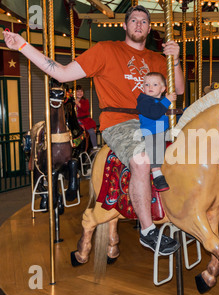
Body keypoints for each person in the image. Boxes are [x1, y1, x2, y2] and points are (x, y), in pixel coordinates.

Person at [3, 5, 184, 256]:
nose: (139, 25)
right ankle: (147, 231)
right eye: (133, 20)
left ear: (150, 28)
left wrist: (175, 60)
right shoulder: (106, 50)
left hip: (156, 122)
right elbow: (62, 72)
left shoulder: (157, 59)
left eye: (144, 21)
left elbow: (180, 89)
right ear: (124, 25)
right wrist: (22, 46)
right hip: (120, 122)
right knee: (142, 160)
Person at [136, 72, 176, 192]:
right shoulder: (144, 100)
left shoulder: (165, 101)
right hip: (151, 130)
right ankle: (156, 173)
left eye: (154, 84)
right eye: (146, 84)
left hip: (166, 129)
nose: (150, 87)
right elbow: (154, 113)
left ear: (163, 89)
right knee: (156, 140)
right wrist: (167, 101)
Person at [75, 85, 98, 150]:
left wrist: (78, 104)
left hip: (85, 120)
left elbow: (85, 109)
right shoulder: (72, 101)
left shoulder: (85, 101)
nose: (79, 93)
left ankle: (95, 147)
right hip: (76, 120)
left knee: (91, 132)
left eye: (81, 91)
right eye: (78, 91)